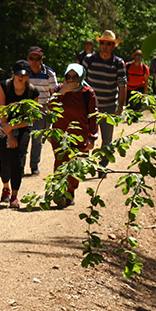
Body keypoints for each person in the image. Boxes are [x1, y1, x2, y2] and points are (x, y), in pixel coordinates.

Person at [50, 64, 97, 207]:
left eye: (75, 77)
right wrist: (62, 92)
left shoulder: (87, 93)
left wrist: (92, 137)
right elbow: (51, 107)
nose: (71, 80)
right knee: (60, 163)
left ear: (81, 77)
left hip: (80, 135)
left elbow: (93, 116)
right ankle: (59, 192)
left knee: (76, 166)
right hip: (61, 134)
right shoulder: (60, 90)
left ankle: (70, 192)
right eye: (68, 77)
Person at [0, 60, 36, 209]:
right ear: (13, 74)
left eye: (24, 75)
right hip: (3, 125)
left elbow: (31, 118)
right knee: (4, 160)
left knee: (17, 161)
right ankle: (6, 187)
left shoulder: (32, 91)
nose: (21, 78)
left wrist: (14, 127)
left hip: (22, 127)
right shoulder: (4, 86)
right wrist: (10, 133)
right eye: (18, 74)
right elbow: (1, 109)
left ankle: (14, 196)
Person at [81, 30, 128, 160]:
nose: (105, 46)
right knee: (85, 135)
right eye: (102, 43)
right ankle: (83, 165)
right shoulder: (89, 59)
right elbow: (80, 80)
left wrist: (120, 107)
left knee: (107, 139)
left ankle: (102, 167)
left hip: (109, 106)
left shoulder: (118, 63)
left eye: (108, 43)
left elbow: (122, 85)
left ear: (113, 46)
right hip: (89, 106)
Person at [25, 47, 60, 175]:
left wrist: (53, 111)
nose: (34, 61)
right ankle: (20, 165)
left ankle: (34, 166)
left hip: (42, 109)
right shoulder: (23, 72)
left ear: (42, 59)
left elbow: (55, 94)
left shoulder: (49, 74)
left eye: (37, 58)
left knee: (37, 138)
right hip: (25, 109)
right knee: (23, 137)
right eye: (31, 58)